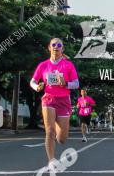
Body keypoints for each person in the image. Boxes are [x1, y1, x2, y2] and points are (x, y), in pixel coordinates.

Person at [30, 37, 80, 166]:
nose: (56, 46)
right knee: (50, 130)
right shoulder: (43, 65)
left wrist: (65, 84)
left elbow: (76, 83)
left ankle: (59, 126)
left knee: (62, 139)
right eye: (53, 44)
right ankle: (51, 160)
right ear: (49, 47)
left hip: (64, 100)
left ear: (62, 48)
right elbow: (33, 81)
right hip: (49, 98)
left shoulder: (68, 65)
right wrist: (37, 87)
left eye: (59, 45)